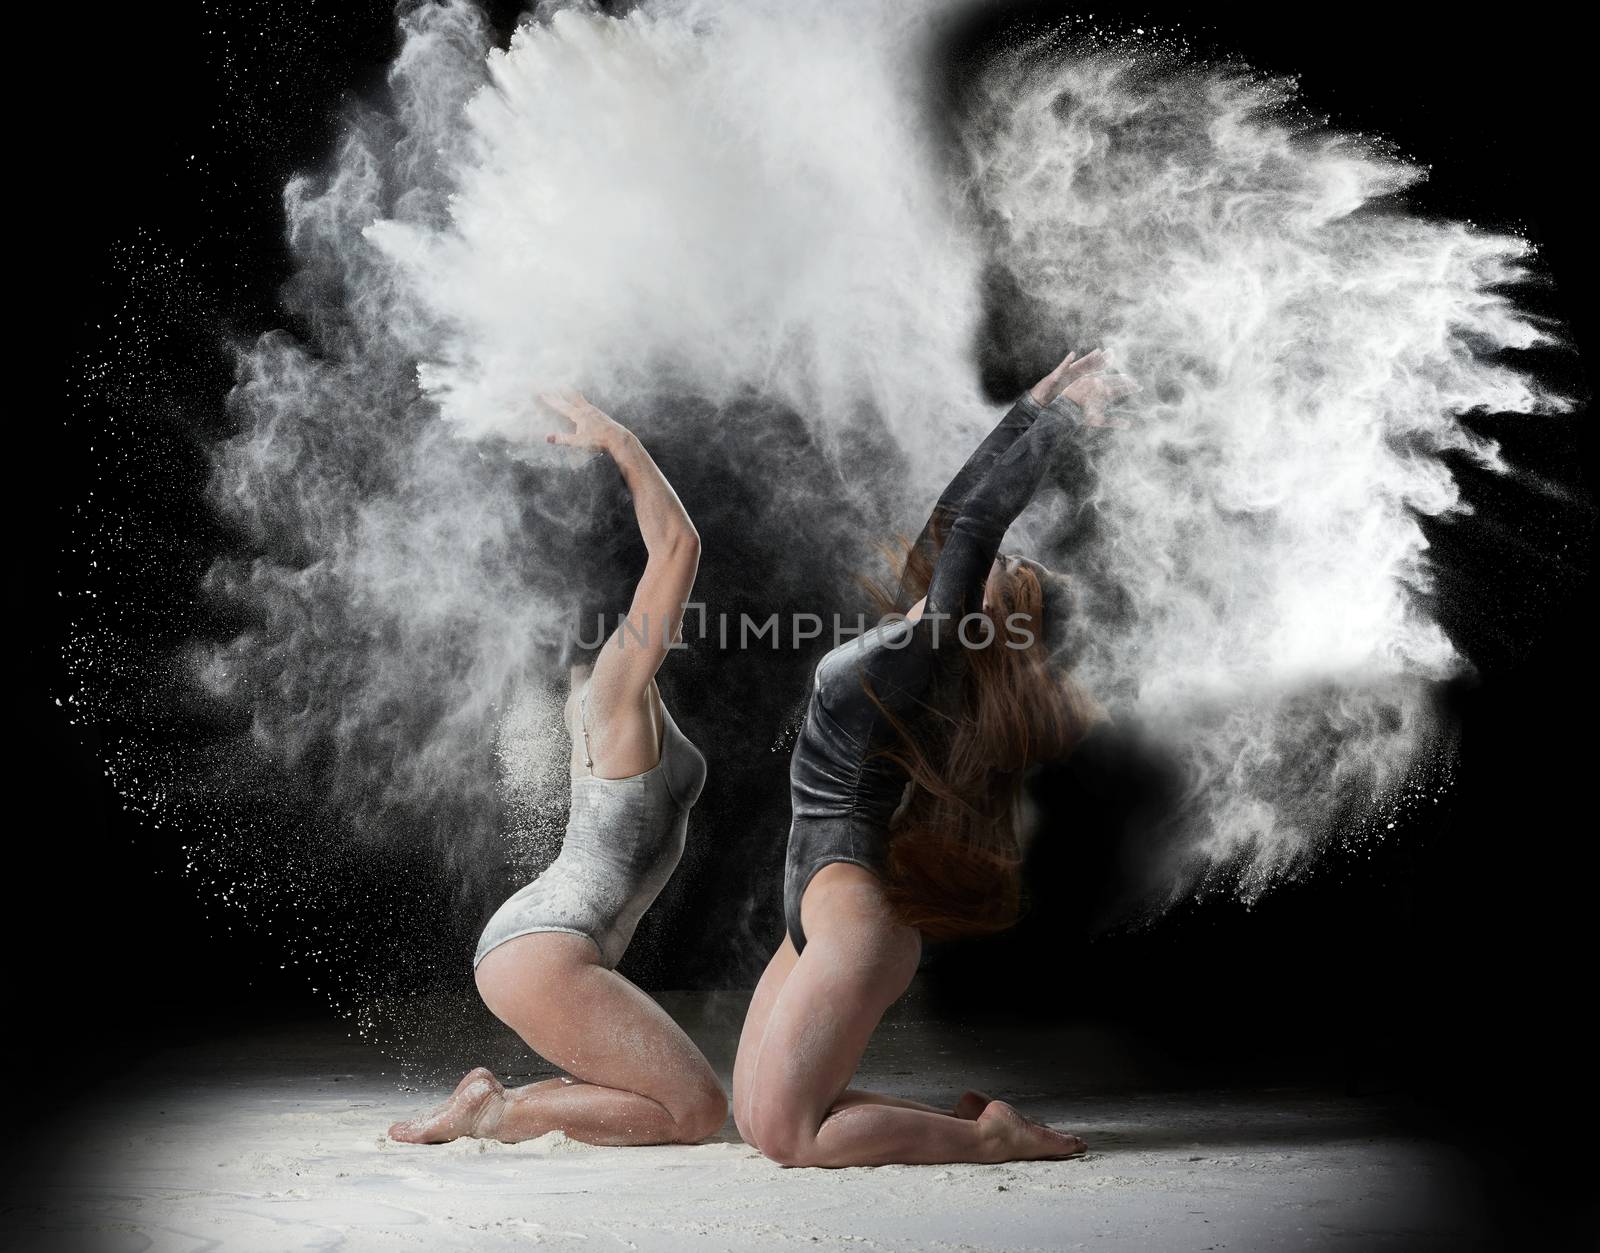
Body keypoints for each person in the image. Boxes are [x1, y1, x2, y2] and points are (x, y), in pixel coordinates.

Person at [733, 347, 1133, 1167]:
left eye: (998, 572)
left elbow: (979, 526)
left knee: (789, 1137)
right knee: (754, 1116)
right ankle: (967, 1121)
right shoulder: (918, 632)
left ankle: (989, 1136)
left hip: (857, 916)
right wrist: (1035, 400)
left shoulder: (929, 648)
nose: (982, 562)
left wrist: (1059, 423)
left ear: (980, 612)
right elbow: (960, 518)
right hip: (815, 901)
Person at [389, 390, 725, 1147]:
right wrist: (620, 441)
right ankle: (495, 1113)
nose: (676, 617)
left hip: (545, 941)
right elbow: (677, 547)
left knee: (661, 1095)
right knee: (694, 1111)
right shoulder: (612, 692)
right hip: (545, 949)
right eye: (658, 611)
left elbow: (664, 564)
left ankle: (488, 1097)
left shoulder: (605, 695)